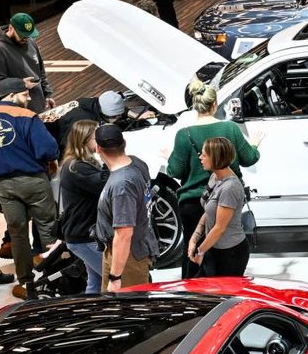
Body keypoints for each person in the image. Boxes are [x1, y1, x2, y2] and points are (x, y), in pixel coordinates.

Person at [0, 78, 58, 299]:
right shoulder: (26, 116)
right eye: (25, 94)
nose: (28, 98)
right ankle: (55, 278)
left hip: (3, 185)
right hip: (34, 180)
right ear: (11, 95)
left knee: (17, 235)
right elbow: (48, 149)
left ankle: (26, 283)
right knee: (48, 230)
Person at [166, 78, 260, 278]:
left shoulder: (183, 135)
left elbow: (174, 171)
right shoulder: (230, 129)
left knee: (192, 254)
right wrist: (254, 145)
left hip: (192, 203)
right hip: (225, 201)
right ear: (215, 104)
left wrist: (170, 158)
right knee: (222, 255)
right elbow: (249, 158)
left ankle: (192, 291)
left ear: (194, 105)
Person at [93, 124, 157, 291]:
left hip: (128, 258)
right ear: (124, 143)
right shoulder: (137, 163)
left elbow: (124, 234)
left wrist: (115, 277)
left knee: (125, 305)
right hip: (128, 251)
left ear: (98, 148)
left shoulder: (122, 185)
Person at [184, 136, 250, 277]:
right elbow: (209, 211)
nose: (200, 158)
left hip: (230, 253)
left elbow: (219, 228)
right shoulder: (215, 177)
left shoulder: (230, 188)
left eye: (204, 155)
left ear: (215, 158)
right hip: (213, 247)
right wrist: (195, 237)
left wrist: (200, 252)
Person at [56, 120, 107, 294]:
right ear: (84, 140)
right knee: (113, 278)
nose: (100, 141)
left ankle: (93, 308)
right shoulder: (77, 168)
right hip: (84, 236)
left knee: (96, 281)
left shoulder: (75, 164)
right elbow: (104, 184)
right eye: (96, 137)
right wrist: (108, 157)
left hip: (81, 234)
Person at [0, 11, 50, 113]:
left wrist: (47, 94)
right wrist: (19, 84)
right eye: (22, 35)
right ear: (11, 28)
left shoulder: (30, 41)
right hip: (14, 109)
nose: (25, 38)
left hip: (37, 104)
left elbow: (40, 71)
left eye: (28, 35)